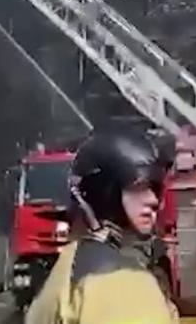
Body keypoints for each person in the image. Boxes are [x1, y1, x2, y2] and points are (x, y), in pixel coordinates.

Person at [25, 129, 179, 324]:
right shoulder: (121, 282)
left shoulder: (66, 268)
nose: (153, 200)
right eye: (138, 186)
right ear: (105, 192)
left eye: (155, 188)